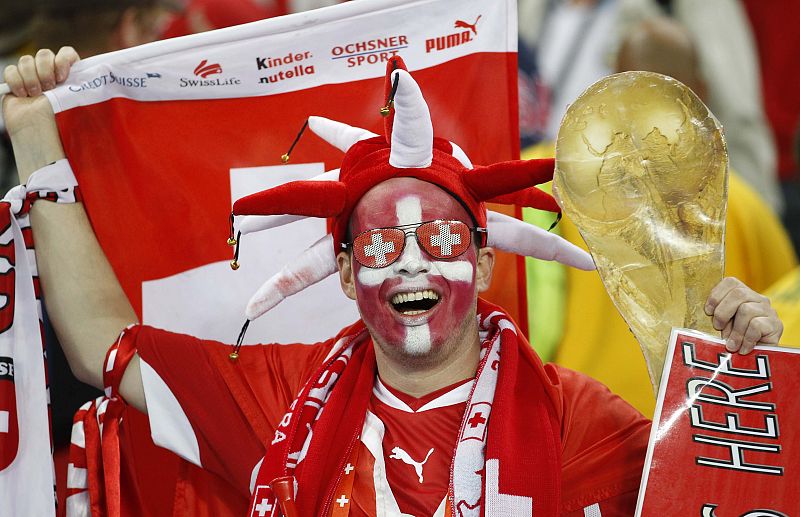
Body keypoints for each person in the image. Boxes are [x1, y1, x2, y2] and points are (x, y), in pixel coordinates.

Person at [2, 48, 784, 515]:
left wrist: (746, 383)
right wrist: (36, 137)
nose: (412, 262)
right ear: (347, 273)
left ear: (484, 262)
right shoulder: (283, 399)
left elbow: (728, 498)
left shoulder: (576, 420)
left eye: (439, 238)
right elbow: (102, 342)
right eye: (382, 242)